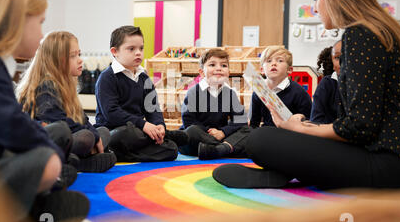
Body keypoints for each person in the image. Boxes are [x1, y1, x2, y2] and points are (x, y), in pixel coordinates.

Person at [213, 0, 400, 189]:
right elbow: (362, 124)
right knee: (279, 135)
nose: (314, 7)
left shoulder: (360, 36)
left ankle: (288, 172)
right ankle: (287, 172)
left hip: (389, 167)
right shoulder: (380, 32)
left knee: (261, 139)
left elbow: (360, 127)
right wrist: (304, 126)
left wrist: (300, 128)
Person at [0, 0, 89, 222]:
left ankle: (36, 200)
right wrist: (51, 152)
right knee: (45, 161)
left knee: (49, 147)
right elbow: (9, 124)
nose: (41, 34)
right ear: (15, 23)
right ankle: (10, 211)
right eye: (39, 22)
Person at [17, 31, 116, 173]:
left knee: (103, 131)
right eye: (73, 56)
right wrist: (93, 137)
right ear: (56, 61)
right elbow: (60, 125)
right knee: (85, 138)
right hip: (47, 144)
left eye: (79, 54)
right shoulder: (45, 87)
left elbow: (82, 119)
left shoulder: (67, 85)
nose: (80, 60)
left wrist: (95, 134)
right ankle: (79, 161)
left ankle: (80, 160)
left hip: (69, 138)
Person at [95, 26, 188, 162]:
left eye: (141, 48)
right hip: (115, 131)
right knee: (125, 134)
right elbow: (111, 113)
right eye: (131, 49)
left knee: (172, 150)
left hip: (138, 131)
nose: (138, 53)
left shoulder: (144, 78)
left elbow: (153, 108)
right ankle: (118, 149)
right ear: (115, 52)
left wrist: (159, 125)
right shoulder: (107, 77)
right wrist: (144, 125)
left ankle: (117, 154)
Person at [180, 48, 250, 160]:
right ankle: (226, 148)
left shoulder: (230, 93)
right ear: (202, 73)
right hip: (199, 138)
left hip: (221, 136)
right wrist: (210, 133)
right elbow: (188, 121)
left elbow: (240, 121)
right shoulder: (194, 92)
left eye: (223, 66)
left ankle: (219, 149)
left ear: (228, 73)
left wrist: (222, 132)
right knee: (191, 131)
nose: (218, 69)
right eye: (212, 65)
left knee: (249, 130)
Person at [249, 46, 312, 128]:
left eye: (280, 60)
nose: (274, 63)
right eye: (269, 61)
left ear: (289, 70)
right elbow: (254, 124)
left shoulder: (299, 93)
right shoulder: (259, 91)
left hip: (291, 134)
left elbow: (309, 121)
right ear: (262, 70)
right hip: (267, 133)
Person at [310, 40, 342, 124]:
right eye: (337, 58)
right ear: (333, 64)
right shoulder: (327, 83)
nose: (343, 61)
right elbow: (315, 119)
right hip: (328, 133)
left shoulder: (358, 84)